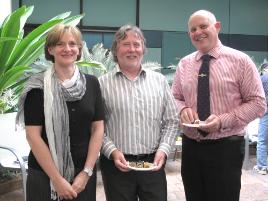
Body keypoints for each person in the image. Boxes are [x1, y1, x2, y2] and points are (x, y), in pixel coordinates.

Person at [172, 10, 266, 201]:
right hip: (191, 147)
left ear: (217, 26)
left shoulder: (241, 61)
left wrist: (223, 120)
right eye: (193, 29)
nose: (198, 32)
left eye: (203, 26)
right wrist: (182, 109)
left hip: (226, 148)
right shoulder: (184, 64)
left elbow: (258, 103)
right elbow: (174, 97)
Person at [16, 24, 104, 201]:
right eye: (60, 44)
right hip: (44, 174)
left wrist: (86, 172)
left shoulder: (92, 83)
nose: (67, 49)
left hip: (83, 174)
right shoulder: (37, 87)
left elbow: (98, 128)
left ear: (79, 49)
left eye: (73, 44)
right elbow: (33, 136)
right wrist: (57, 179)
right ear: (50, 49)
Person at [98, 24, 179, 201]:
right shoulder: (101, 84)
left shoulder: (159, 81)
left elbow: (172, 120)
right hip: (116, 166)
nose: (132, 49)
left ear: (143, 49)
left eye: (137, 44)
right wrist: (111, 151)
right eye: (126, 44)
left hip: (153, 164)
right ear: (116, 49)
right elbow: (96, 127)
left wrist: (164, 150)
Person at [253, 62, 268, 175]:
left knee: (262, 140)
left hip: (266, 112)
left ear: (264, 69)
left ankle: (262, 166)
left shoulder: (262, 78)